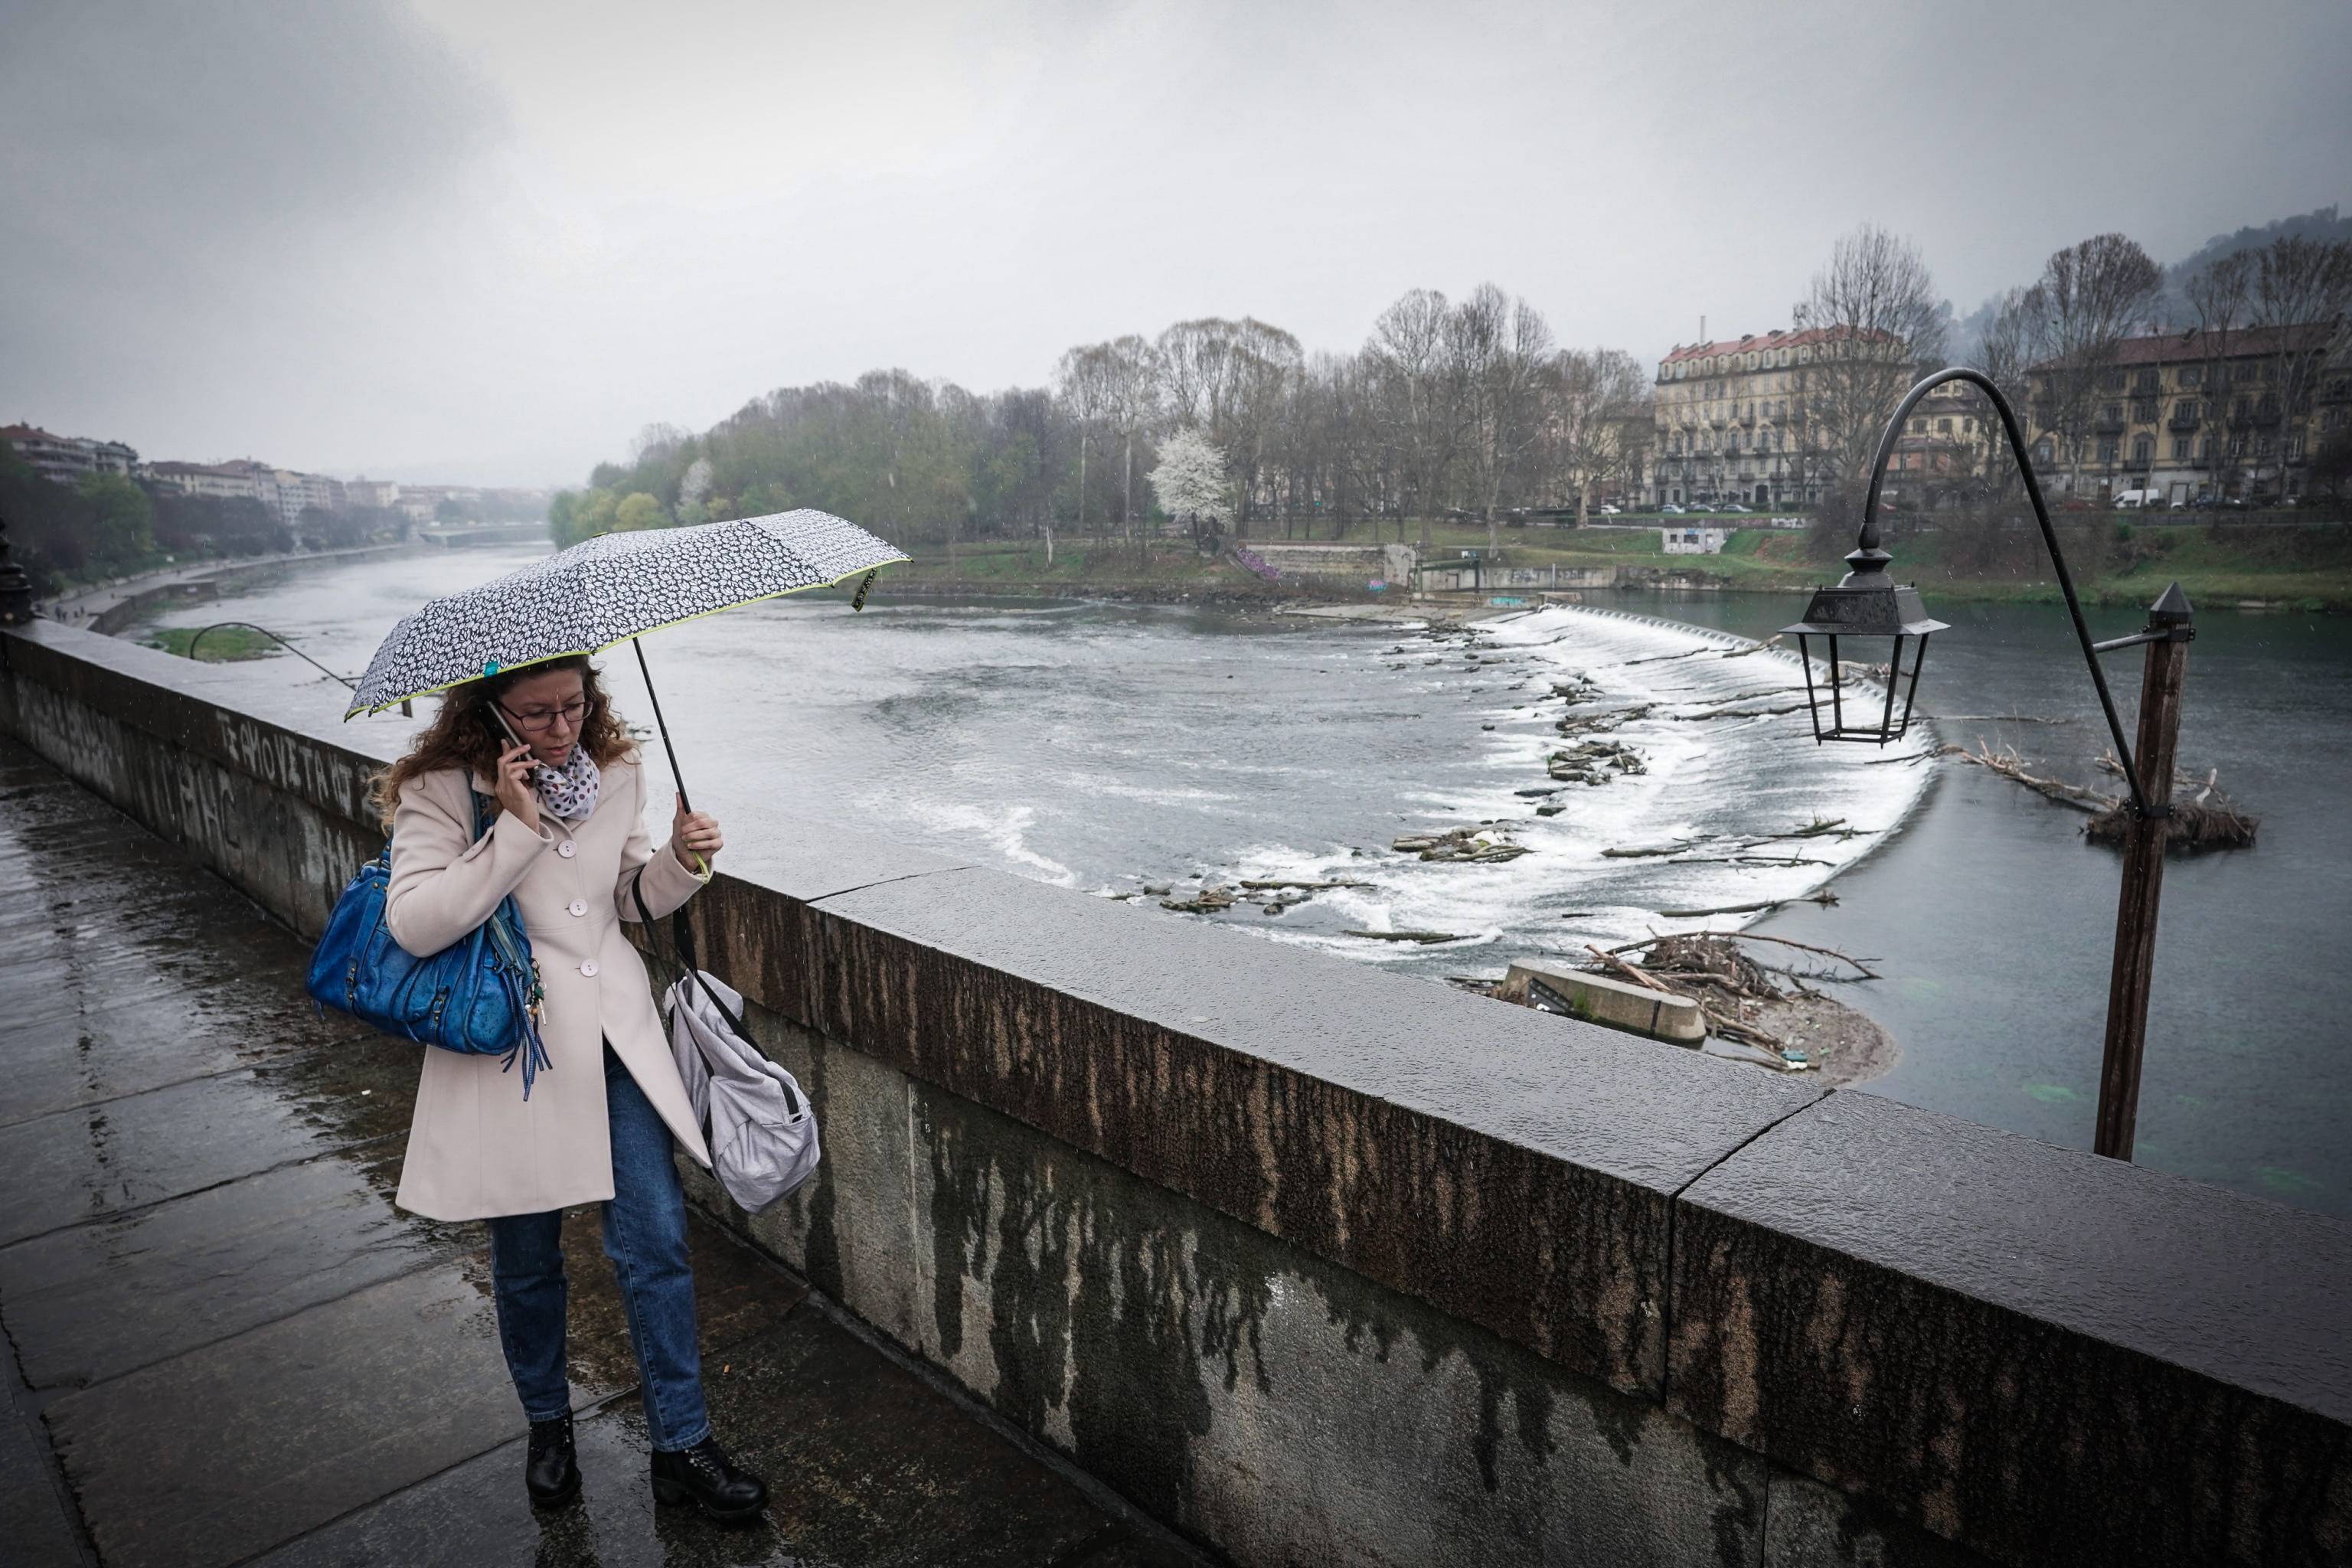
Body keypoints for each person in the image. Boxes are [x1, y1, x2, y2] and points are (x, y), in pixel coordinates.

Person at [373, 654, 766, 1521]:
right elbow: (416, 921)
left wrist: (682, 859)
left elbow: (626, 900)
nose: (562, 727)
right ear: (494, 714)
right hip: (513, 1049)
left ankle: (683, 1444)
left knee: (655, 1240)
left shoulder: (615, 767)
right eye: (539, 712)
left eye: (575, 706)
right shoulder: (443, 788)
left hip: (615, 1036)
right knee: (525, 1259)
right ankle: (549, 1426)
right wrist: (511, 826)